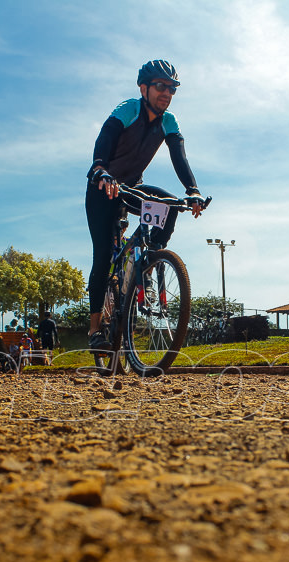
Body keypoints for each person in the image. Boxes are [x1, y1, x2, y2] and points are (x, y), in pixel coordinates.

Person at [85, 59, 206, 349]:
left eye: (172, 89)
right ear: (144, 88)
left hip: (132, 189)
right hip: (104, 188)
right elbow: (105, 139)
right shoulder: (129, 109)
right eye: (160, 87)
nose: (166, 93)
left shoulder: (169, 122)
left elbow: (180, 157)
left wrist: (193, 190)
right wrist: (100, 168)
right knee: (102, 256)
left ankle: (147, 263)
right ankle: (94, 331)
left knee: (169, 204)